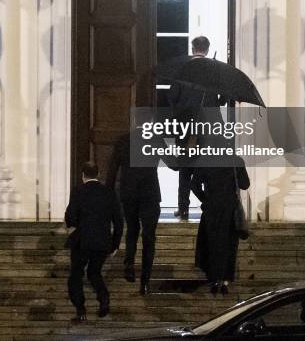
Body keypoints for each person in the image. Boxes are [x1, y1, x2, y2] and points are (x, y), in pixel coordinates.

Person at [167, 36, 228, 220]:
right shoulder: (215, 70)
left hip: (187, 125)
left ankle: (183, 208)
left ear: (192, 48)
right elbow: (223, 98)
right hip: (210, 127)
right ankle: (209, 205)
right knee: (209, 167)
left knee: (185, 168)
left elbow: (172, 96)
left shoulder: (183, 69)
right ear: (207, 50)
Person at [65, 161, 123, 323]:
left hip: (82, 241)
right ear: (98, 175)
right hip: (102, 242)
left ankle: (80, 311)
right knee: (94, 273)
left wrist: (71, 227)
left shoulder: (78, 191)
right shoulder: (109, 192)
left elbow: (70, 214)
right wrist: (115, 244)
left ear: (83, 175)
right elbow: (119, 221)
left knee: (76, 275)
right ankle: (104, 299)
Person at [107, 132, 161, 295]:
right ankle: (144, 282)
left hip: (129, 193)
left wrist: (107, 195)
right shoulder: (155, 139)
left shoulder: (123, 139)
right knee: (149, 236)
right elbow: (174, 164)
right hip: (149, 194)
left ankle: (129, 265)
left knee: (132, 230)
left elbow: (112, 169)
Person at [191, 158, 250, 294]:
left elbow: (194, 185)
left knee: (212, 244)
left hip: (211, 210)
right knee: (229, 246)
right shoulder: (236, 161)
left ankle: (213, 279)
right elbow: (245, 184)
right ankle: (225, 280)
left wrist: (205, 199)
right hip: (230, 211)